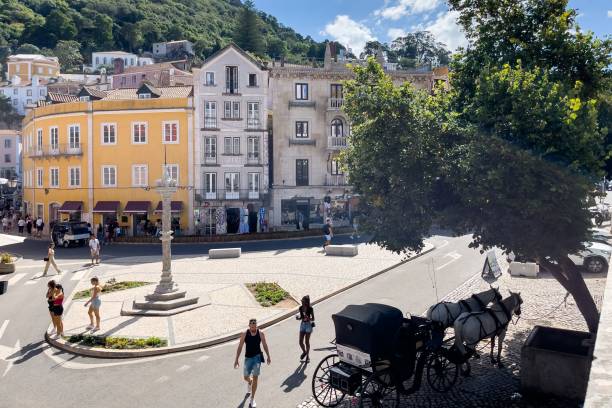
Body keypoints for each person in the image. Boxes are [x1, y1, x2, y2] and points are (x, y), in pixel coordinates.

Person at [234, 319, 271, 408]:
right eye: (252, 325)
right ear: (249, 326)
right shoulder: (244, 334)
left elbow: (265, 345)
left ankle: (252, 398)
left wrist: (268, 356)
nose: (253, 327)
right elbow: (240, 347)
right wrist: (236, 359)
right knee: (246, 377)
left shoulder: (261, 333)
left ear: (256, 325)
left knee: (255, 377)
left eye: (255, 325)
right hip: (248, 358)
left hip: (257, 358)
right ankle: (249, 382)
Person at [296, 295, 315, 362]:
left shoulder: (310, 308)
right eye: (301, 301)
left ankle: (307, 357)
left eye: (303, 301)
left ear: (306, 302)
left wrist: (308, 318)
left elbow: (313, 319)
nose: (302, 302)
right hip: (303, 325)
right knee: (300, 341)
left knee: (307, 342)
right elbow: (301, 317)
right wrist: (298, 318)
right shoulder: (300, 308)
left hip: (308, 325)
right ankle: (304, 352)